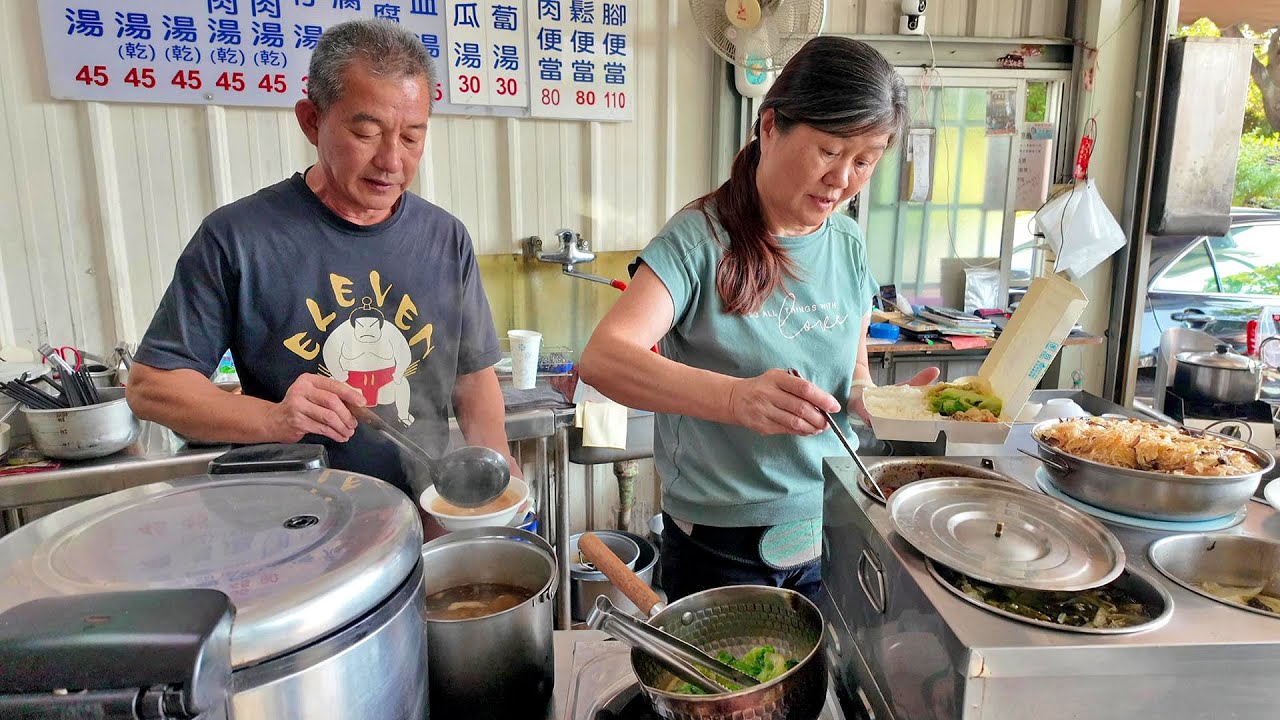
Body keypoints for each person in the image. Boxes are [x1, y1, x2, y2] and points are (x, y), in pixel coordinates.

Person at [579, 37, 936, 602]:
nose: (842, 179)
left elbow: (853, 371)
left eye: (864, 161)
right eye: (829, 150)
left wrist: (875, 402)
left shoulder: (847, 242)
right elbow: (604, 359)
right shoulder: (699, 241)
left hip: (832, 520)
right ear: (770, 127)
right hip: (720, 544)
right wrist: (736, 399)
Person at [126, 19, 518, 499]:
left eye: (412, 137)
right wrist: (273, 418)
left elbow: (473, 378)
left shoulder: (445, 237)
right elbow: (152, 387)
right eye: (367, 133)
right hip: (291, 518)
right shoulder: (239, 238)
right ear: (311, 120)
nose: (392, 161)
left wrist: (501, 476)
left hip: (422, 508)